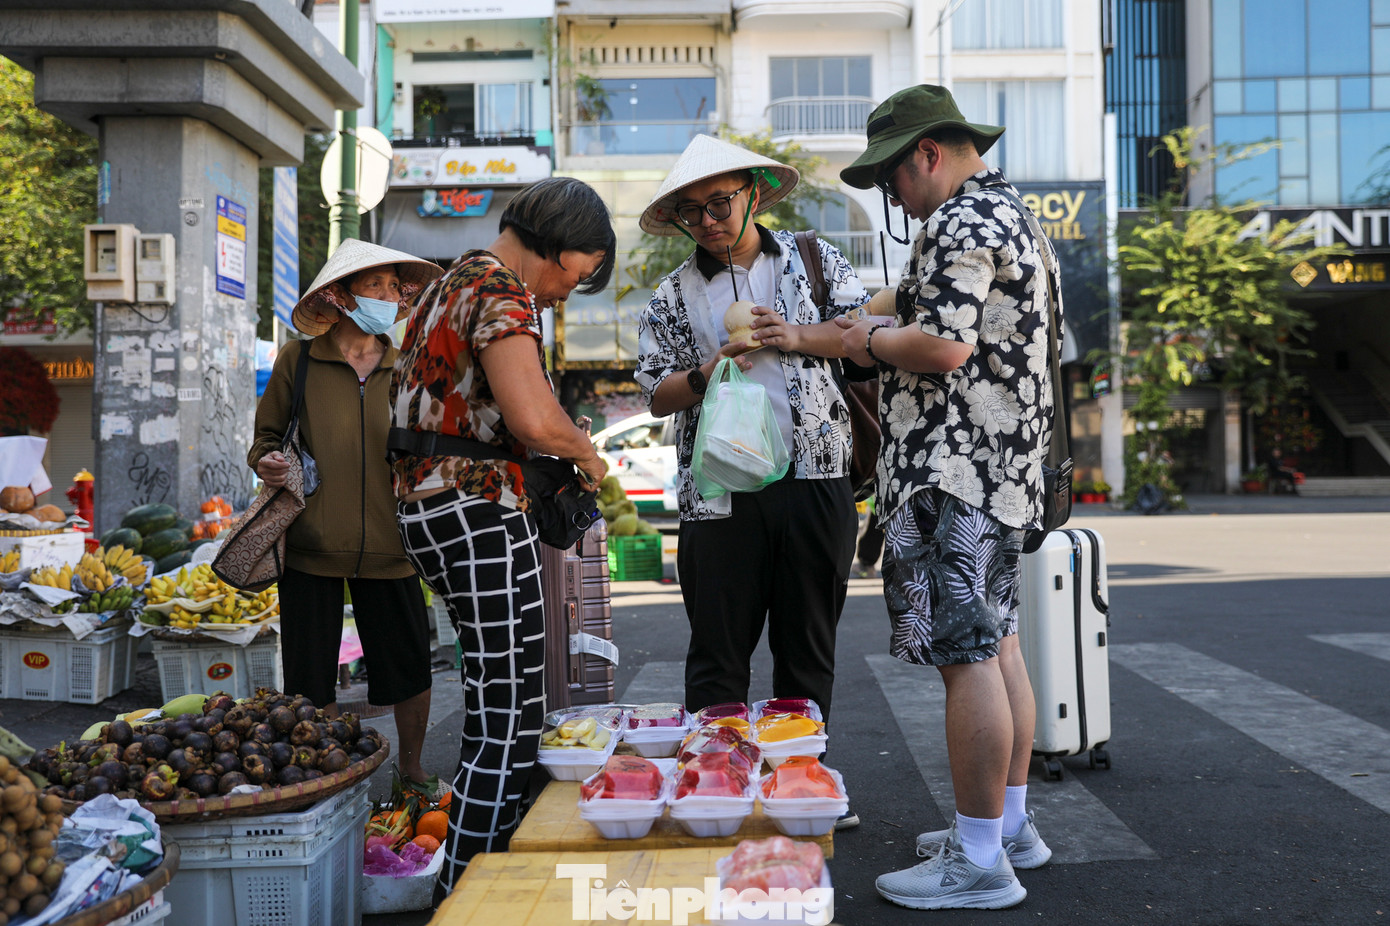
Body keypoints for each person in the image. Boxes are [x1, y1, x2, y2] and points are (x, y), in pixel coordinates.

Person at [837, 84, 1062, 910]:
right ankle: (1007, 827)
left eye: (891, 179)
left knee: (964, 658)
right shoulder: (1017, 218)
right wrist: (867, 311)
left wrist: (855, 338)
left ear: (926, 154)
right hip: (1003, 470)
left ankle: (977, 864)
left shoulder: (961, 222)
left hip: (951, 470)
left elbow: (940, 344)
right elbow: (933, 305)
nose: (892, 196)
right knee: (998, 646)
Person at [387, 177, 614, 903]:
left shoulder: (447, 281)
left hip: (427, 508)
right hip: (475, 508)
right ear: (554, 239)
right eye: (571, 276)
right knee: (508, 718)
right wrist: (587, 455)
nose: (561, 295)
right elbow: (533, 420)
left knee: (496, 699)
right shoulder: (501, 289)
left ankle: (486, 877)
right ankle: (471, 895)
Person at [635, 135, 868, 822]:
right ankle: (719, 784)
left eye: (719, 202)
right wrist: (708, 370)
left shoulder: (814, 260)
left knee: (807, 647)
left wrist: (793, 333)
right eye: (691, 212)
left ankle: (803, 781)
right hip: (718, 496)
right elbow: (653, 390)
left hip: (816, 478)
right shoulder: (673, 292)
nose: (707, 220)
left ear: (754, 194)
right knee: (717, 653)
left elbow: (861, 335)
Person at [249, 239, 443, 786]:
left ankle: (411, 769)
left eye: (392, 287)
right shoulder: (300, 361)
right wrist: (266, 460)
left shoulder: (409, 365)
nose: (386, 296)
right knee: (311, 679)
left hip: (393, 543)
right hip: (312, 543)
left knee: (408, 667)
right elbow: (266, 436)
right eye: (373, 286)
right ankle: (327, 778)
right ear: (339, 295)